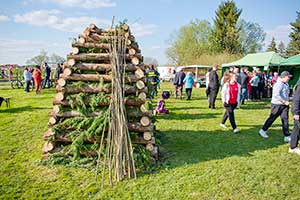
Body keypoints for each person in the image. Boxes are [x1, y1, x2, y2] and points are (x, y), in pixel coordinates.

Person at [259, 71, 292, 142]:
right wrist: (284, 101)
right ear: (283, 76)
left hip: (284, 105)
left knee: (285, 119)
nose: (289, 78)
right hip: (277, 104)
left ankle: (286, 135)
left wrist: (288, 99)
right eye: (288, 77)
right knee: (272, 118)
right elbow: (276, 95)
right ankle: (263, 130)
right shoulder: (278, 84)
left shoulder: (286, 84)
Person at [289, 79, 300, 154]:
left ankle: (292, 147)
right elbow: (296, 99)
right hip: (298, 111)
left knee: (296, 129)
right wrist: (296, 113)